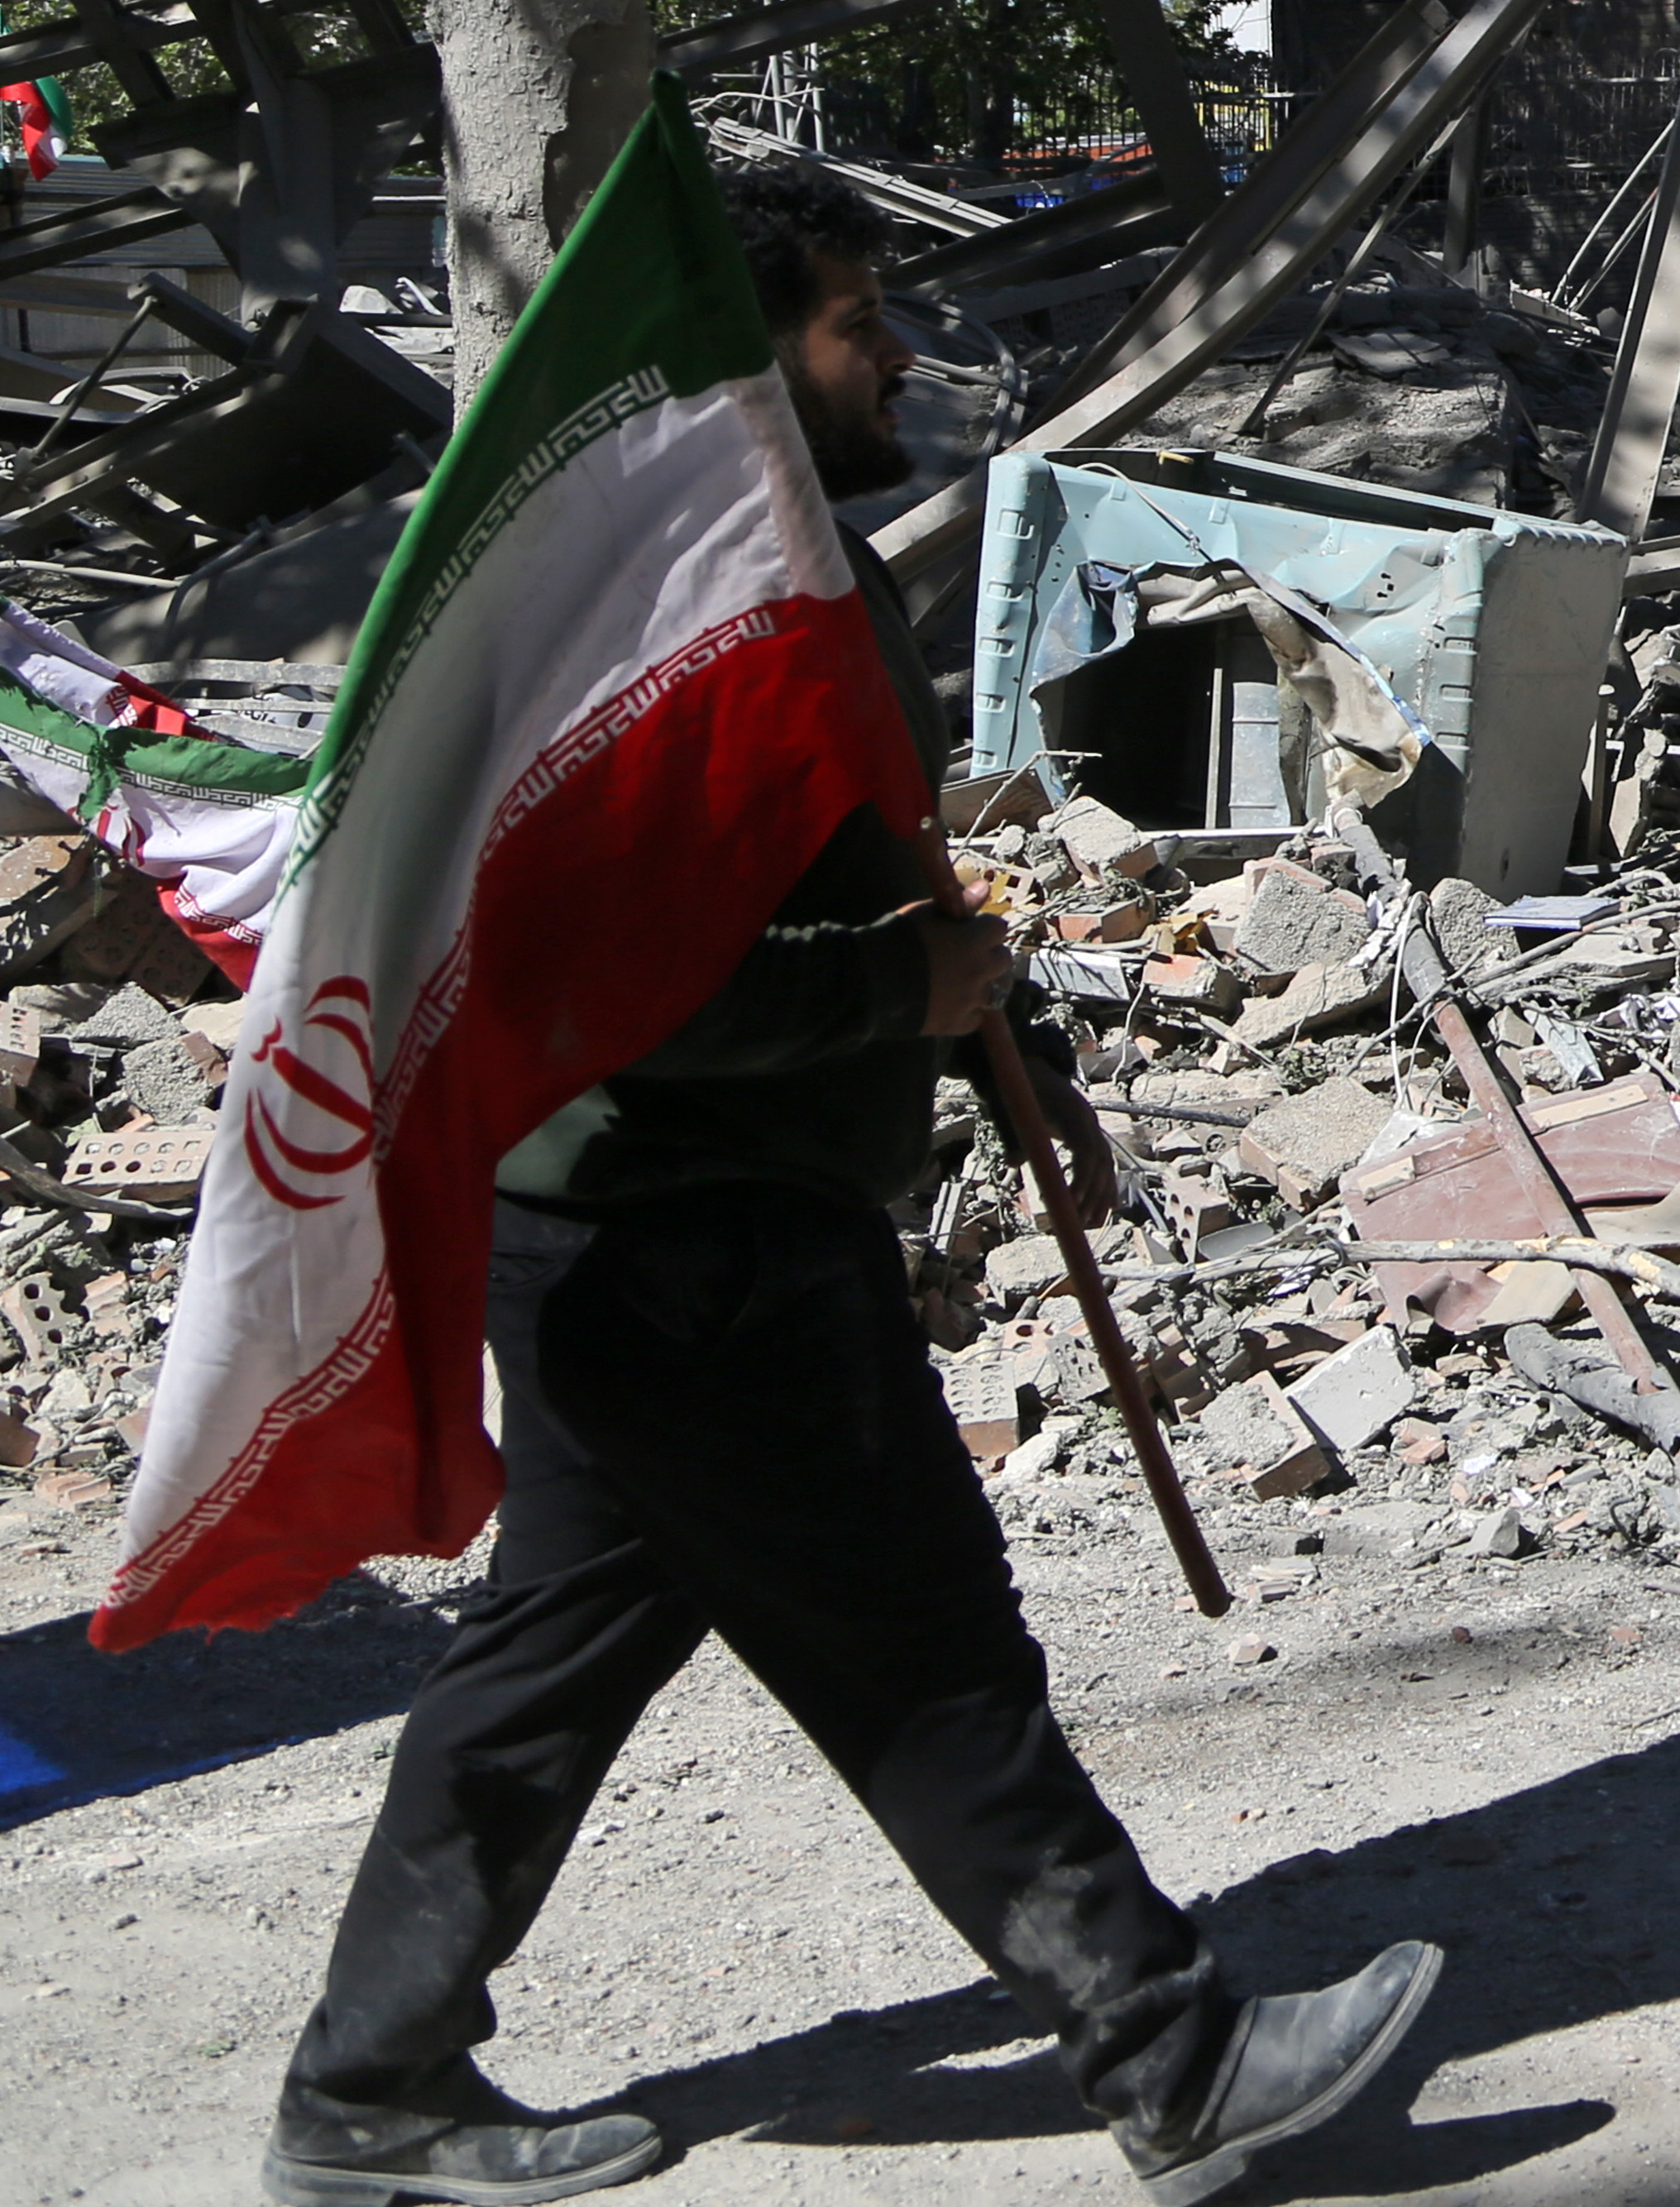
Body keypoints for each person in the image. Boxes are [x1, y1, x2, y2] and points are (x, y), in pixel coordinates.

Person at [267, 156, 1437, 2207]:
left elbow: (869, 869)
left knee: (555, 1652)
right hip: (686, 1231)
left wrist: (1014, 1049)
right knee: (924, 1644)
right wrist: (910, 989)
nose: (894, 349)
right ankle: (1173, 2056)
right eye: (853, 319)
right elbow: (596, 991)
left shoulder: (774, 564)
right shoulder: (645, 627)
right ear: (740, 350)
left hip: (646, 1232)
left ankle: (369, 2088)